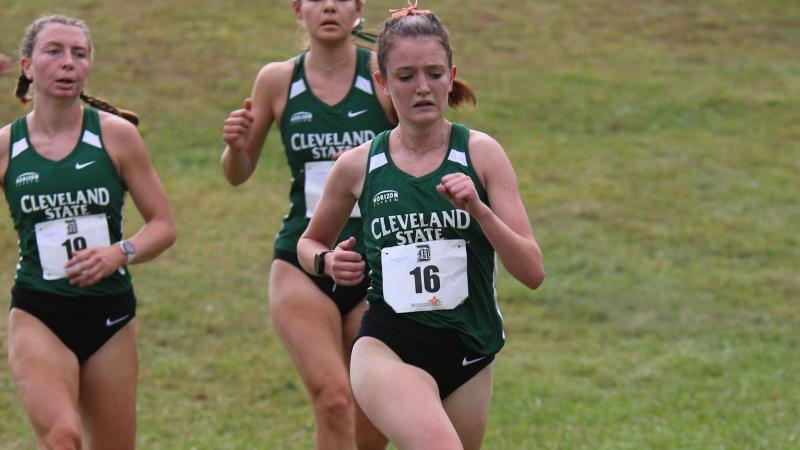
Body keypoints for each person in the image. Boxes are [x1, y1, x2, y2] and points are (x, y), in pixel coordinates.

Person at [297, 3, 545, 449]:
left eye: (433, 73)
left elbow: (532, 272)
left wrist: (480, 211)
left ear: (452, 75)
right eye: (406, 77)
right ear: (383, 83)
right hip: (388, 345)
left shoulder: (483, 154)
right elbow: (310, 241)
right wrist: (327, 261)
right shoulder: (359, 165)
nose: (423, 88)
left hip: (470, 347)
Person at [220, 1, 395, 448]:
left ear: (358, 9)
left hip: (373, 261)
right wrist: (236, 147)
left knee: (371, 409)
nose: (330, 6)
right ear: (299, 8)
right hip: (303, 259)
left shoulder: (380, 72)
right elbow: (238, 172)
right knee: (334, 399)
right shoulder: (277, 80)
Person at [1, 15, 176, 450]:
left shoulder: (116, 136)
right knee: (62, 438)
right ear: (27, 65)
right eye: (54, 51)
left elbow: (163, 225)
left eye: (79, 54)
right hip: (39, 312)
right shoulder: (7, 147)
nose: (68, 63)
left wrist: (122, 251)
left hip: (110, 315)